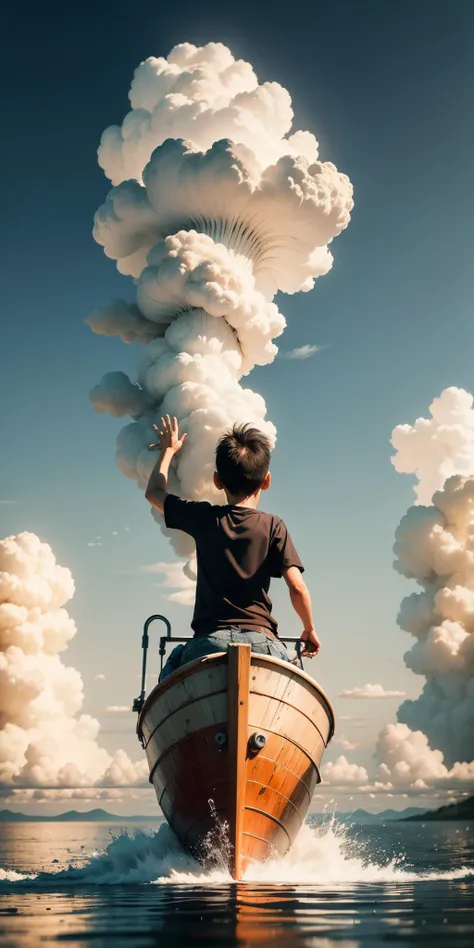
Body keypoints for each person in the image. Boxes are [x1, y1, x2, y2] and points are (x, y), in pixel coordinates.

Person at [145, 414, 321, 679]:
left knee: (175, 663)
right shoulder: (274, 526)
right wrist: (309, 628)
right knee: (294, 677)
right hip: (263, 644)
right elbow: (296, 587)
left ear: (217, 480)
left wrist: (169, 451)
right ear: (267, 480)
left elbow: (154, 493)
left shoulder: (203, 517)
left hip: (208, 642)